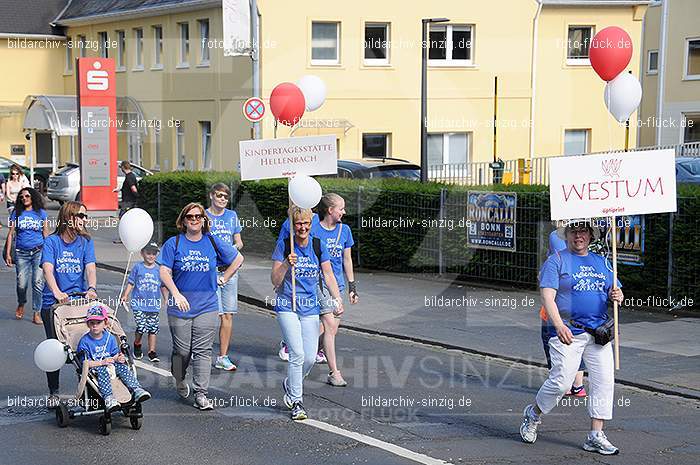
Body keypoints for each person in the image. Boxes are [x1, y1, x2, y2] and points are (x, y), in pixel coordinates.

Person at [520, 219, 624, 455]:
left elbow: (615, 291)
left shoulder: (603, 262)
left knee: (604, 382)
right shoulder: (556, 260)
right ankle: (533, 414)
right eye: (574, 231)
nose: (579, 235)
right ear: (566, 235)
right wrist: (558, 326)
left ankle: (595, 435)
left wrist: (618, 295)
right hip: (568, 331)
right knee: (561, 383)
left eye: (584, 231)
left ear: (590, 235)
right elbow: (547, 296)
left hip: (598, 333)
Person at [158, 202, 244, 410]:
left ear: (205, 220)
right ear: (183, 220)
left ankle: (201, 393)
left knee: (203, 351)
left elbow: (238, 258)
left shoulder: (212, 242)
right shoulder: (174, 243)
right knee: (182, 351)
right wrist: (176, 293)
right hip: (180, 307)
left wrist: (224, 277)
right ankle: (179, 376)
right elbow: (163, 271)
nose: (194, 220)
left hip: (207, 306)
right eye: (190, 217)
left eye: (198, 216)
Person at [271, 206, 344, 420]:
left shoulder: (318, 245)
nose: (302, 227)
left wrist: (336, 298)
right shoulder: (285, 245)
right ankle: (297, 401)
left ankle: (290, 384)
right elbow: (274, 280)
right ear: (292, 227)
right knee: (297, 354)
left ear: (310, 226)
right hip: (288, 306)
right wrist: (286, 263)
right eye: (298, 224)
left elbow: (328, 275)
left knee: (310, 358)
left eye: (306, 224)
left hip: (310, 307)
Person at [41, 201, 97, 408]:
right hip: (53, 305)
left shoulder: (85, 242)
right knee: (56, 350)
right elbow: (48, 269)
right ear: (68, 218)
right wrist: (57, 292)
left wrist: (91, 288)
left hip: (78, 303)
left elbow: (90, 268)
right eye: (80, 216)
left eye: (85, 216)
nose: (84, 220)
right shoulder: (52, 242)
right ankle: (53, 392)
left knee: (84, 347)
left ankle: (88, 390)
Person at [313, 193, 358, 387]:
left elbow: (347, 260)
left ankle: (306, 345)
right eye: (341, 208)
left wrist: (352, 287)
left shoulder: (345, 230)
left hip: (336, 284)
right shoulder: (314, 228)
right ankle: (334, 372)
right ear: (330, 210)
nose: (344, 212)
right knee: (330, 325)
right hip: (318, 283)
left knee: (332, 329)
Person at [77, 304, 151, 411]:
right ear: (88, 324)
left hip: (111, 363)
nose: (95, 326)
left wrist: (118, 358)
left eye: (98, 323)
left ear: (105, 323)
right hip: (97, 367)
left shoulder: (110, 338)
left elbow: (114, 354)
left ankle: (136, 389)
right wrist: (102, 362)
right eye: (92, 323)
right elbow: (86, 363)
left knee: (123, 366)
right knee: (102, 370)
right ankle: (108, 397)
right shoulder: (84, 342)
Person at [542, 220, 586, 397]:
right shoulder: (585, 241)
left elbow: (557, 259)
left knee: (554, 339)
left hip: (559, 298)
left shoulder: (556, 236)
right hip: (580, 299)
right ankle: (578, 385)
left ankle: (563, 384)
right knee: (579, 340)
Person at [205, 183, 243, 372]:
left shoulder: (232, 216)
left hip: (230, 270)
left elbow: (239, 242)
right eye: (219, 195)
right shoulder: (203, 216)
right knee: (212, 314)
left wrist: (231, 250)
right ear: (212, 195)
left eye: (225, 197)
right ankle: (202, 352)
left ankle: (222, 356)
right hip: (210, 271)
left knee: (227, 315)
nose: (222, 199)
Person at [4, 187, 49, 324]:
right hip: (21, 253)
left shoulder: (41, 213)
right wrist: (7, 253)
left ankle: (37, 312)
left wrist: (49, 254)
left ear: (33, 197)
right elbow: (11, 233)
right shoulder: (16, 213)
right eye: (22, 197)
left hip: (38, 251)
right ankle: (21, 302)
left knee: (37, 282)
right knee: (21, 284)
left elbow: (46, 233)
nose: (24, 199)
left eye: (27, 196)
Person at [120, 242, 164, 362]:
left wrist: (166, 299)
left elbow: (163, 285)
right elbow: (131, 282)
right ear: (142, 253)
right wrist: (125, 295)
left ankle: (152, 351)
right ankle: (137, 344)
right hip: (139, 304)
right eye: (148, 253)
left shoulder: (159, 269)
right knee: (141, 327)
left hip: (153, 305)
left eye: (154, 254)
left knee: (153, 328)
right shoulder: (138, 268)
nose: (151, 256)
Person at [113, 161, 138, 244]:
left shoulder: (129, 177)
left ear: (123, 167)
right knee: (127, 220)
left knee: (123, 219)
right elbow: (129, 188)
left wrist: (137, 196)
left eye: (121, 168)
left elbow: (133, 188)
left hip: (128, 202)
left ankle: (124, 238)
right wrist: (119, 190)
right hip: (129, 201)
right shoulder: (131, 176)